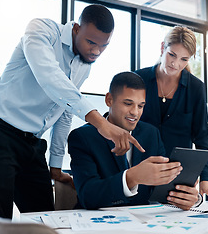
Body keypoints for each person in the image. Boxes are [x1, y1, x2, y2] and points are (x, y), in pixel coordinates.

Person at [0, 4, 144, 219]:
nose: (96, 51)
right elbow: (49, 77)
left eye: (103, 46)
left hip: (32, 144)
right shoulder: (41, 31)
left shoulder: (84, 64)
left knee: (45, 219)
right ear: (77, 28)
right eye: (91, 42)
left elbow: (64, 111)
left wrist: (55, 165)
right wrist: (102, 123)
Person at [69, 71, 200, 210]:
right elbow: (88, 196)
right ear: (109, 100)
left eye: (140, 106)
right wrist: (131, 178)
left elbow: (162, 189)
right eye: (128, 103)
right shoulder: (83, 137)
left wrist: (186, 197)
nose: (135, 112)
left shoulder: (151, 134)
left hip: (142, 224)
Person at [134, 26, 208, 203]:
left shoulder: (195, 88)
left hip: (176, 178)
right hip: (139, 170)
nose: (175, 64)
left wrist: (206, 179)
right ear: (162, 48)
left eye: (184, 59)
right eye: (172, 55)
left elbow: (202, 137)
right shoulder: (138, 80)